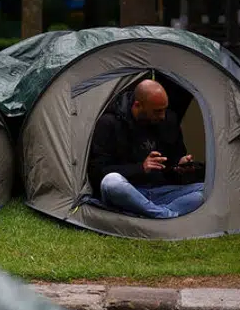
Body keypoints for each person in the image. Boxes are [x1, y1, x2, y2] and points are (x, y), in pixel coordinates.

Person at [87, 79, 203, 220]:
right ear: (138, 105)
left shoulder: (168, 121)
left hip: (160, 192)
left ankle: (151, 212)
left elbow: (171, 165)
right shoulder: (109, 123)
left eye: (165, 109)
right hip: (129, 191)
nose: (163, 116)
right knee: (111, 182)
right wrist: (141, 168)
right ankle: (164, 214)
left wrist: (179, 166)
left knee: (205, 189)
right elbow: (98, 172)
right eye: (157, 111)